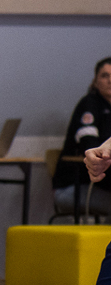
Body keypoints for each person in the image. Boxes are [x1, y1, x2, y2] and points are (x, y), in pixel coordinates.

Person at [53, 58, 111, 218]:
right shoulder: (89, 105)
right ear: (95, 81)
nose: (110, 80)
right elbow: (90, 147)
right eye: (105, 76)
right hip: (73, 187)